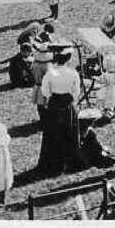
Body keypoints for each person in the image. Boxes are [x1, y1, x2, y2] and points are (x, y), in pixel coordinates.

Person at [35, 46, 85, 176]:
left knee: (53, 132)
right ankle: (70, 161)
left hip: (55, 103)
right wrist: (71, 99)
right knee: (69, 131)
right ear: (68, 59)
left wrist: (53, 96)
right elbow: (76, 91)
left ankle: (53, 163)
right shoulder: (72, 73)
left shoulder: (51, 73)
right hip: (67, 103)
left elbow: (45, 91)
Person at [99, 53, 115, 121]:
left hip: (108, 91)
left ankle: (106, 111)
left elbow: (103, 81)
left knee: (106, 101)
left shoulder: (106, 75)